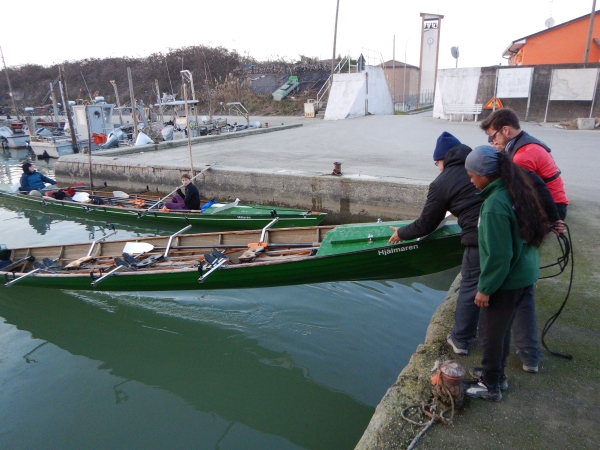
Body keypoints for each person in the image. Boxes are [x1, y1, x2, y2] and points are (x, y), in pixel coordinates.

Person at [464, 145, 549, 402]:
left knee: (490, 333)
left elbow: (499, 256)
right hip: (524, 275)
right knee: (502, 330)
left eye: (472, 175)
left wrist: (485, 288)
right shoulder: (516, 192)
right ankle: (497, 374)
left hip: (506, 281)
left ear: (486, 174)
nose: (470, 180)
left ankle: (489, 385)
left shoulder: (493, 206)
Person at [389, 132, 483, 356]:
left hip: (480, 236)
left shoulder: (442, 182)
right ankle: (530, 355)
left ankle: (460, 340)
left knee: (470, 286)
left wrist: (402, 232)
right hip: (509, 227)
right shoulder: (480, 163)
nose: (438, 168)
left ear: (443, 159)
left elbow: (426, 224)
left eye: (436, 163)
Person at [480, 108, 568, 220]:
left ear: (506, 130)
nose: (494, 141)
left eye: (493, 136)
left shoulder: (522, 156)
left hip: (551, 207)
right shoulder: (526, 141)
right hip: (555, 199)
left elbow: (522, 194)